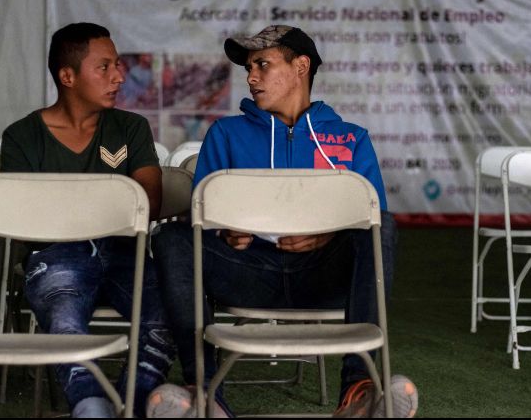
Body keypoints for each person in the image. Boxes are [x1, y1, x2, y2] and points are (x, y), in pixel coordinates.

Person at [148, 25, 417, 418]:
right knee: (172, 237)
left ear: (301, 66)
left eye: (262, 64)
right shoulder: (226, 133)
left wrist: (326, 236)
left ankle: (361, 389)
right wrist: (224, 231)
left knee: (382, 226)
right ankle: (204, 393)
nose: (251, 77)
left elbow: (370, 222)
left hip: (322, 277)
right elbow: (200, 220)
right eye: (248, 68)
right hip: (247, 272)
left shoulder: (352, 138)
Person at [0, 22, 174, 418]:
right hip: (57, 255)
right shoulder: (22, 136)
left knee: (166, 309)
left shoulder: (130, 127)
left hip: (125, 252)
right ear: (68, 76)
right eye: (105, 67)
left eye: (118, 65)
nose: (118, 76)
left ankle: (137, 398)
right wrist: (111, 200)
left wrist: (68, 207)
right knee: (63, 320)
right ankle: (91, 405)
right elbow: (25, 218)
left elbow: (148, 203)